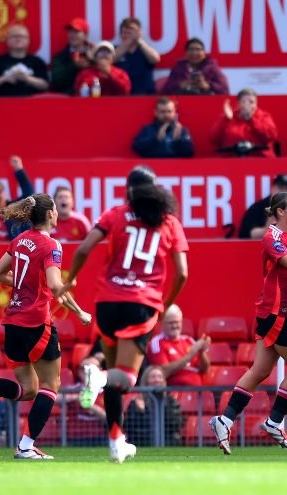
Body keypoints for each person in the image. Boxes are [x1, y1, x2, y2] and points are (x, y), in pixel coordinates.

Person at [0, 194, 91, 459]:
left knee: (28, 390)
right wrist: (74, 294)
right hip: (36, 321)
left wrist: (31, 287)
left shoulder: (19, 240)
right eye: (55, 210)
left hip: (12, 322)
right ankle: (25, 446)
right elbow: (56, 286)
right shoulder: (51, 245)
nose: (57, 214)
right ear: (49, 215)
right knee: (50, 385)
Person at [66, 165, 189, 463]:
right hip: (141, 302)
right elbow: (182, 273)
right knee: (125, 379)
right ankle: (98, 377)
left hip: (107, 302)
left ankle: (116, 443)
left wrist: (70, 279)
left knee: (112, 379)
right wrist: (163, 303)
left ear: (129, 191)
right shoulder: (169, 222)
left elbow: (83, 249)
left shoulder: (115, 214)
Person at [209, 192, 287, 454]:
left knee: (260, 370)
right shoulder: (271, 237)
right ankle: (275, 421)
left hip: (276, 311)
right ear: (279, 212)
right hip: (277, 311)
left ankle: (224, 420)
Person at [146, 304, 209, 387]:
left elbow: (205, 369)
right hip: (174, 392)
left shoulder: (189, 340)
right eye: (171, 323)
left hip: (198, 392)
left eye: (177, 322)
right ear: (162, 324)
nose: (175, 326)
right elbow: (163, 372)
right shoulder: (157, 343)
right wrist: (191, 354)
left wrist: (201, 352)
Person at [123, 366, 182, 446]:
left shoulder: (171, 401)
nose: (157, 380)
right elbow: (130, 428)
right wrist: (141, 411)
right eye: (153, 377)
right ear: (146, 381)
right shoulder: (136, 402)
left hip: (168, 442)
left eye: (160, 377)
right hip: (142, 443)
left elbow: (175, 425)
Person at [210, 89, 278, 158]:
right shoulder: (229, 116)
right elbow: (213, 139)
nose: (247, 105)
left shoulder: (264, 116)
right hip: (231, 160)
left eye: (251, 102)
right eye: (244, 102)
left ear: (256, 104)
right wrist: (226, 119)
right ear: (238, 104)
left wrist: (251, 119)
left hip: (259, 159)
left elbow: (271, 136)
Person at [0, 25, 48, 97]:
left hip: (31, 104)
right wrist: (5, 78)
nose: (18, 39)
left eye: (22, 36)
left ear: (28, 41)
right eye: (14, 36)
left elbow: (45, 86)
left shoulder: (37, 61)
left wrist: (27, 78)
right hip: (4, 104)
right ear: (7, 41)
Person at [162, 38, 228, 95]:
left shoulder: (212, 68)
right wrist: (181, 85)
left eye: (198, 49)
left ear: (204, 53)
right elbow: (165, 90)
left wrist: (208, 85)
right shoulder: (178, 68)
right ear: (186, 52)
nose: (194, 53)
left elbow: (225, 90)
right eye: (191, 49)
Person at [238, 174, 287, 239]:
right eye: (280, 188)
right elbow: (246, 234)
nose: (283, 192)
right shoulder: (257, 208)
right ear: (273, 188)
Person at [114, 17, 160, 95]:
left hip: (145, 94)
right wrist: (127, 43)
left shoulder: (144, 49)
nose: (128, 35)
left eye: (131, 32)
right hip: (122, 95)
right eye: (125, 32)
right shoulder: (116, 49)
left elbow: (155, 59)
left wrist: (138, 40)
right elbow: (111, 59)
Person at [50, 17, 92, 94]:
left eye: (76, 32)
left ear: (85, 35)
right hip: (68, 100)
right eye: (70, 32)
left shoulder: (95, 53)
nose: (72, 35)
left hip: (95, 99)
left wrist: (94, 61)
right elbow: (57, 82)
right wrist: (74, 66)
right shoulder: (60, 57)